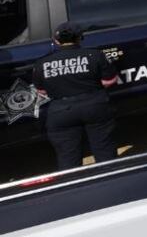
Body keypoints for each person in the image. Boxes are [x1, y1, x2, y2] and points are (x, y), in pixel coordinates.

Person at [32, 22, 119, 170]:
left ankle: (73, 186)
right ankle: (111, 180)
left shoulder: (42, 63)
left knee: (68, 157)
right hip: (95, 105)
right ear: (80, 38)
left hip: (61, 111)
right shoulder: (95, 55)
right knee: (104, 149)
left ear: (55, 40)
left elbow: (41, 91)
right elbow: (109, 80)